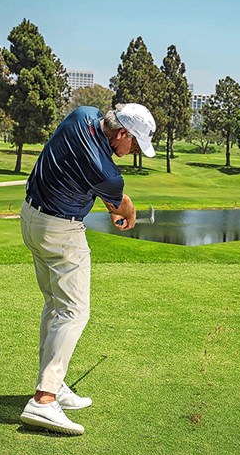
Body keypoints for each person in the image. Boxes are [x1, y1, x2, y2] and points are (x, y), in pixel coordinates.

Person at [18, 102, 156, 435]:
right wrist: (129, 212)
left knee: (54, 307)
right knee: (75, 312)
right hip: (61, 232)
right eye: (134, 144)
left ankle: (54, 383)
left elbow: (94, 181)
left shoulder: (81, 115)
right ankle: (44, 398)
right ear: (122, 133)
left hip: (31, 219)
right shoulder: (109, 172)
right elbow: (122, 203)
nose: (132, 152)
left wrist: (112, 206)